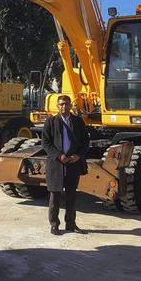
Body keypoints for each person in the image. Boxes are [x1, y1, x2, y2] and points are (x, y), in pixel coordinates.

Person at [41, 95, 89, 235]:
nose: (64, 106)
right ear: (57, 106)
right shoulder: (51, 122)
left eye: (67, 104)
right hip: (56, 163)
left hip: (72, 163)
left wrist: (78, 155)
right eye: (61, 104)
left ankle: (71, 224)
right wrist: (58, 155)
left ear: (70, 106)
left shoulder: (78, 122)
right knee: (54, 196)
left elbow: (85, 141)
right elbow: (45, 142)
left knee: (71, 195)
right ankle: (54, 224)